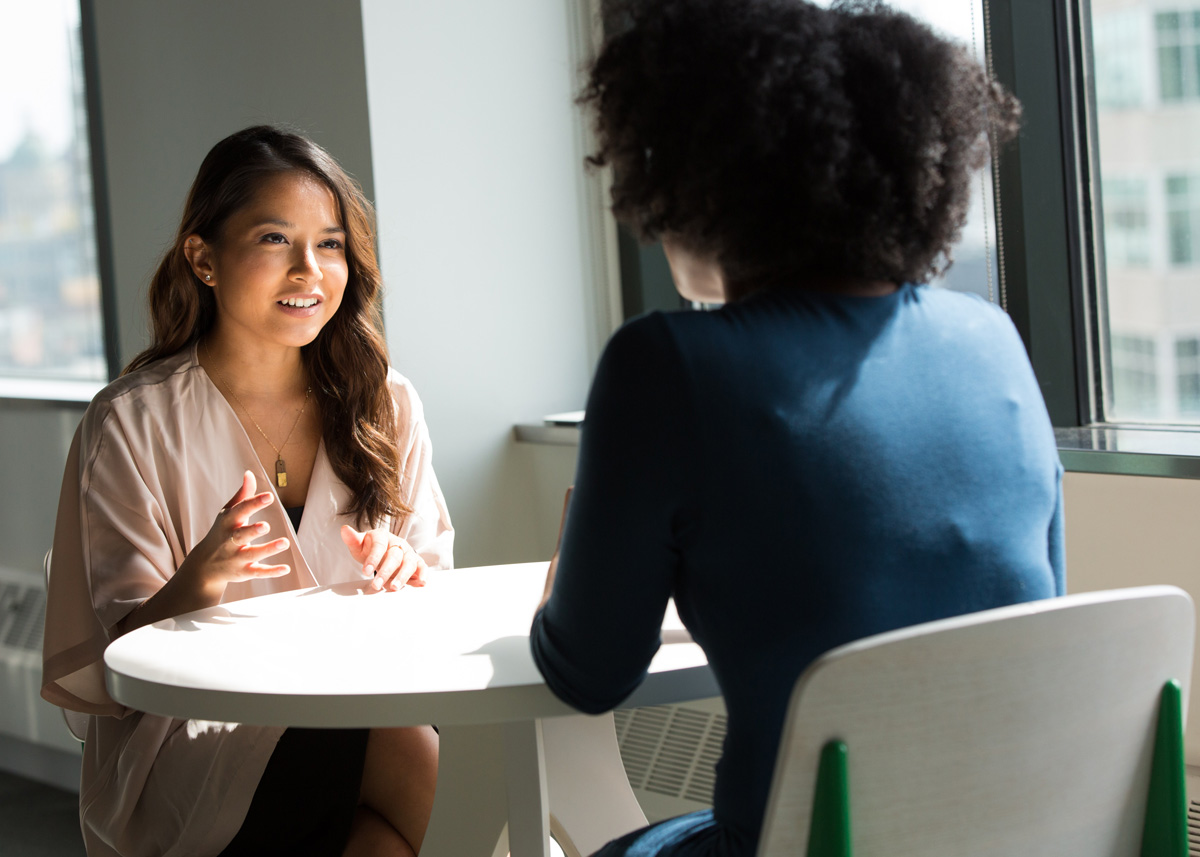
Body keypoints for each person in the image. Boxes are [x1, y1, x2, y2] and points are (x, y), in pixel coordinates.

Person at [530, 1, 1062, 855]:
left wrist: (570, 582)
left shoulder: (666, 363)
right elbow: (1032, 616)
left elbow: (587, 673)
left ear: (701, 180)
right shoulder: (992, 342)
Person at [41, 126, 453, 857]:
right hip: (190, 741)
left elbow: (436, 592)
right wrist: (194, 585)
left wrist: (407, 571)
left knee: (396, 782)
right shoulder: (132, 421)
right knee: (407, 751)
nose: (310, 270)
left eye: (330, 244)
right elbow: (117, 666)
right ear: (203, 258)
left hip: (364, 704)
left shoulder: (387, 403)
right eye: (274, 239)